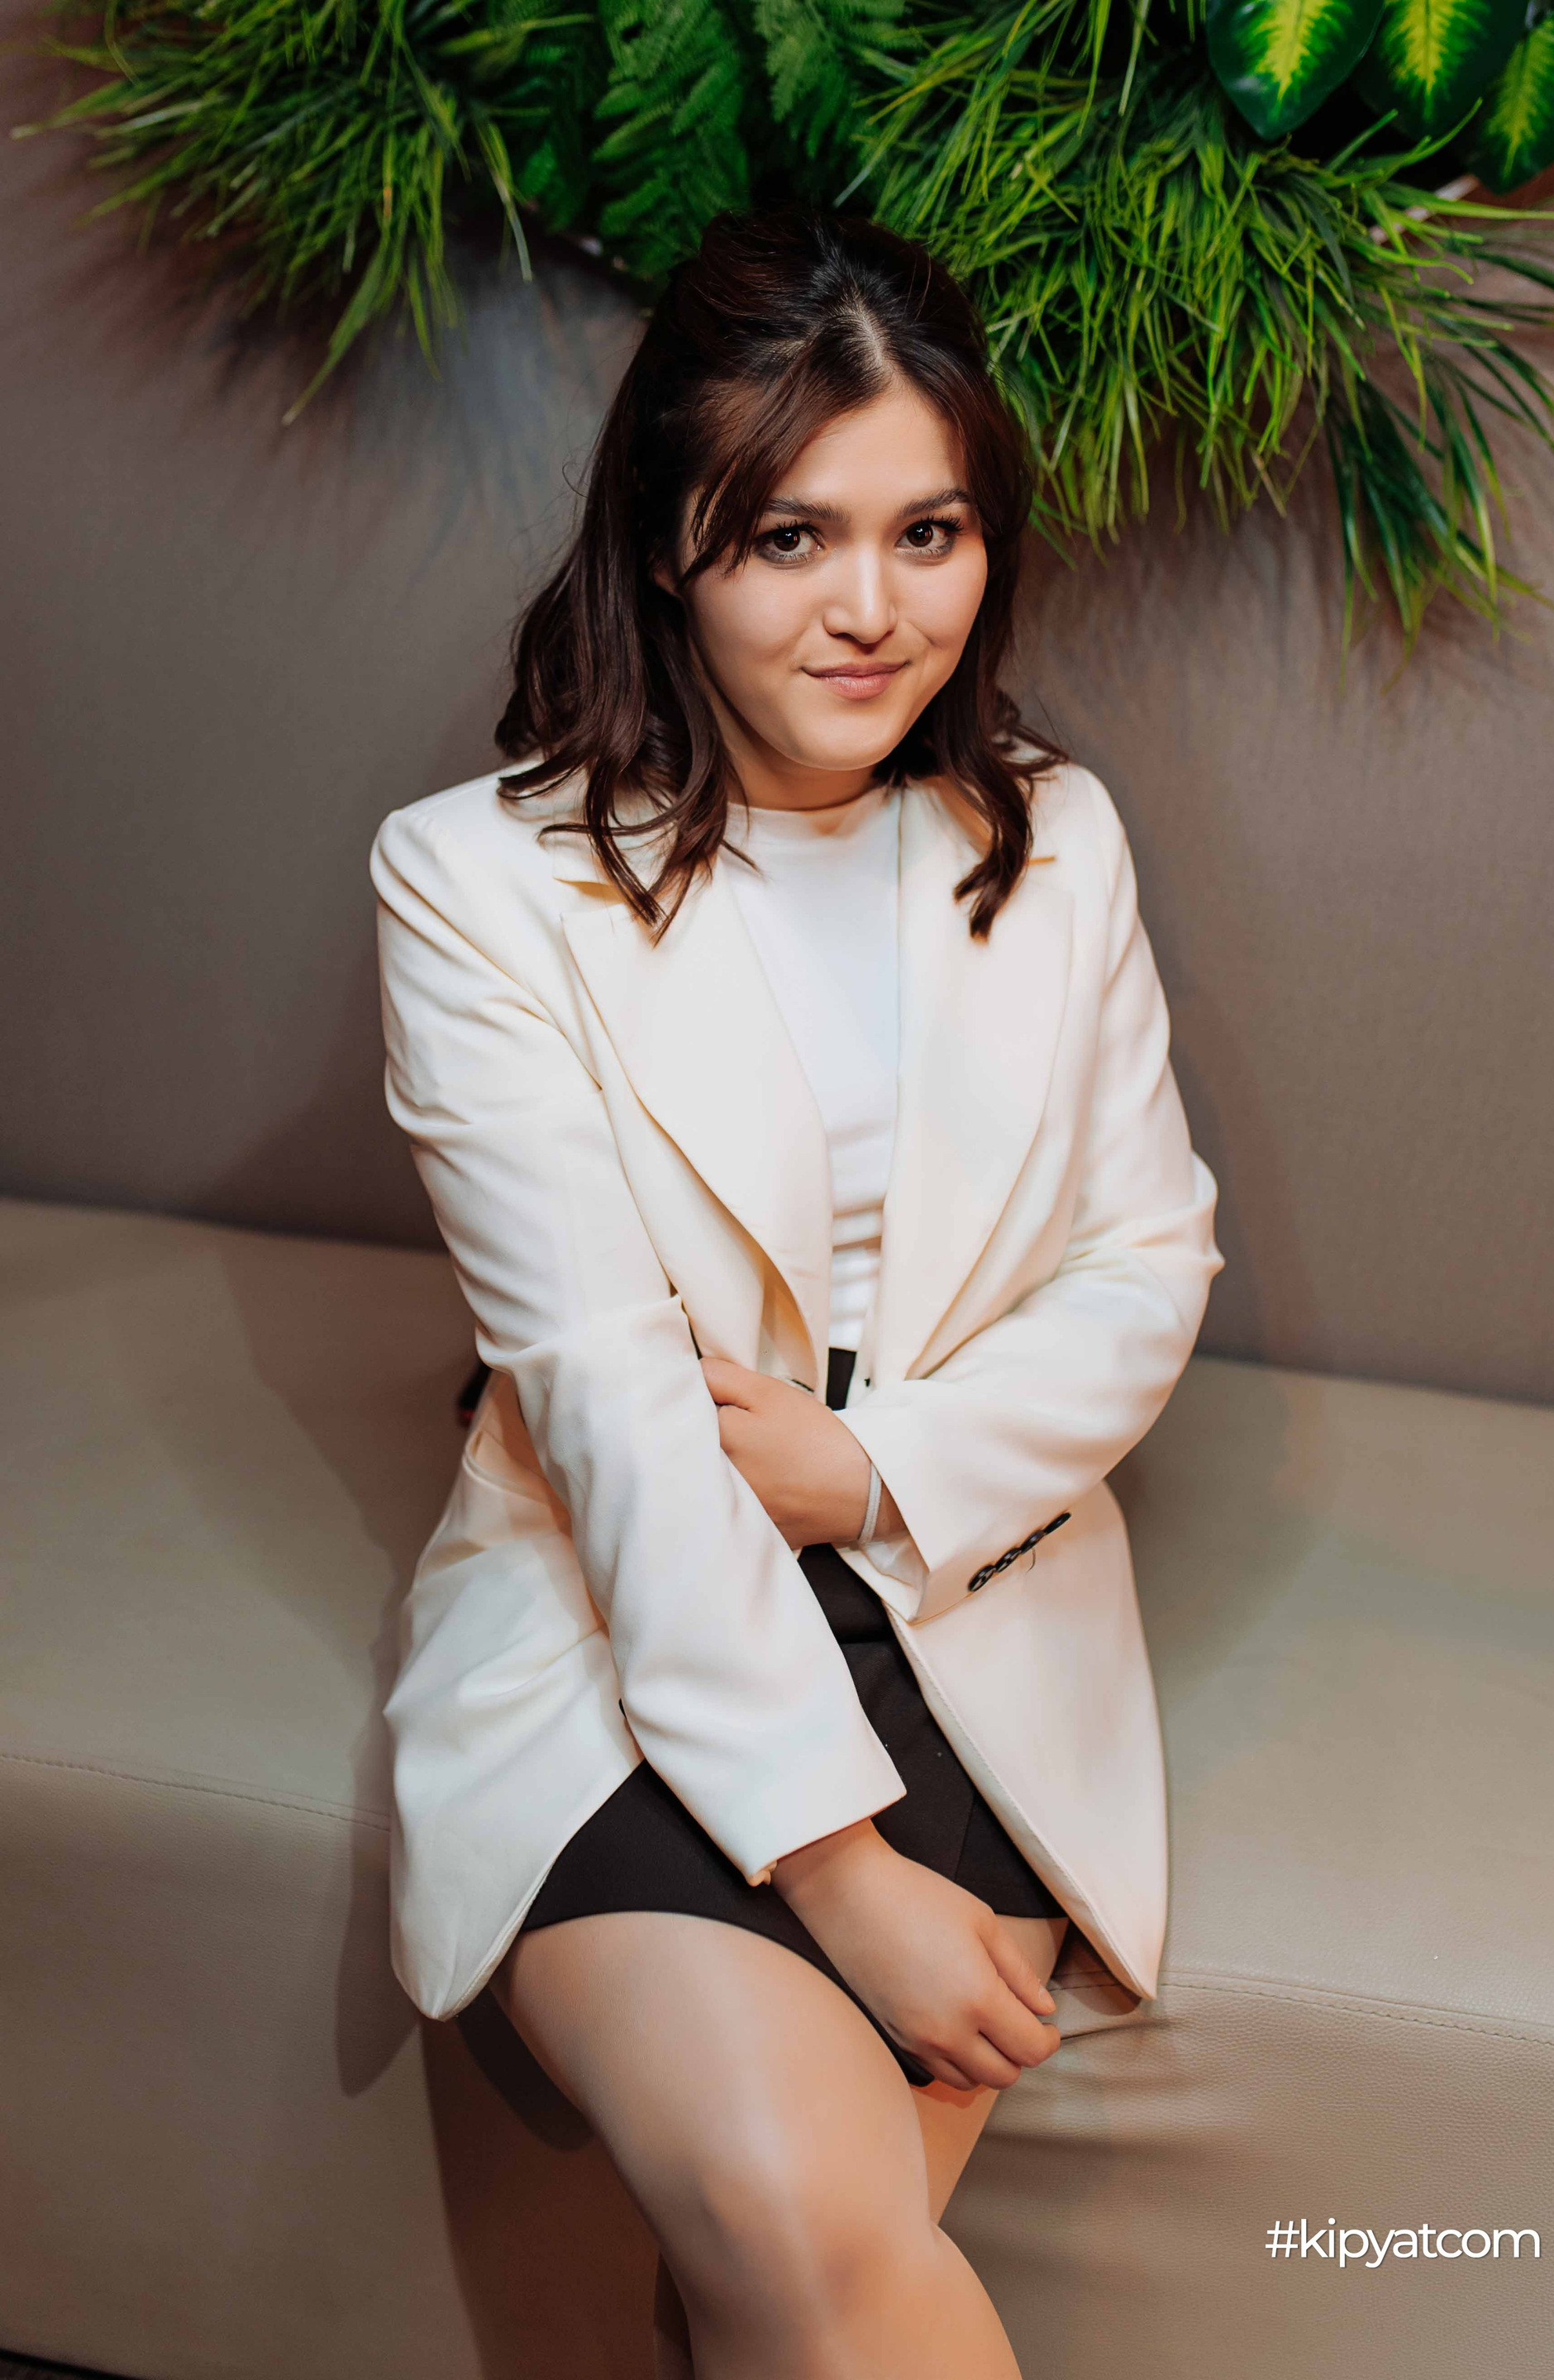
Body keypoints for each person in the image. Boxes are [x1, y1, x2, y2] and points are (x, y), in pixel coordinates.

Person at [369, 207, 1223, 2380]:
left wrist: (875, 1471)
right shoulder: (474, 883)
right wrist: (841, 1876)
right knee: (795, 2226)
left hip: (957, 1602)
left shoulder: (1060, 842)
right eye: (789, 538)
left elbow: (1149, 1266)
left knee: (782, 2295)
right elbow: (612, 1407)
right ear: (672, 541)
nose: (874, 608)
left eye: (928, 530)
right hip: (622, 1611)